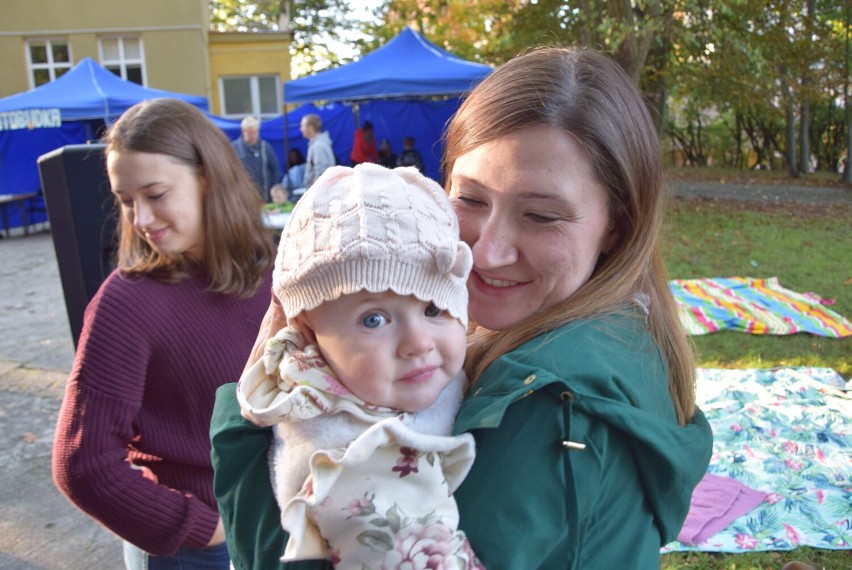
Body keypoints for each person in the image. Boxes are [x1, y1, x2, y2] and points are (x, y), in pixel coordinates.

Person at [211, 46, 713, 569]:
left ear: (617, 224)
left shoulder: (541, 405)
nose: (486, 251)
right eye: (470, 200)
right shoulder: (626, 327)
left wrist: (243, 427)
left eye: (541, 215)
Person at [52, 97, 276, 569]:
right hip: (205, 549)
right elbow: (83, 463)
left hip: (284, 525)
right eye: (126, 201)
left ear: (208, 178)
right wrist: (203, 530)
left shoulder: (278, 270)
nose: (141, 219)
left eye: (155, 195)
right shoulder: (127, 303)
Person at [237, 163, 481, 567]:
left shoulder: (385, 384)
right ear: (309, 333)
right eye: (374, 320)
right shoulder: (352, 462)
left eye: (434, 307)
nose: (418, 343)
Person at [231, 115, 282, 202]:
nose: (253, 136)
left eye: (255, 132)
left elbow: (275, 169)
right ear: (243, 132)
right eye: (250, 133)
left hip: (266, 198)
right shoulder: (234, 148)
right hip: (243, 198)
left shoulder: (265, 147)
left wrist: (275, 188)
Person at [300, 113, 336, 190]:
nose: (301, 129)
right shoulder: (318, 144)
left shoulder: (318, 146)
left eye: (302, 126)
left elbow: (321, 172)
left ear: (310, 127)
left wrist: (313, 190)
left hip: (320, 192)